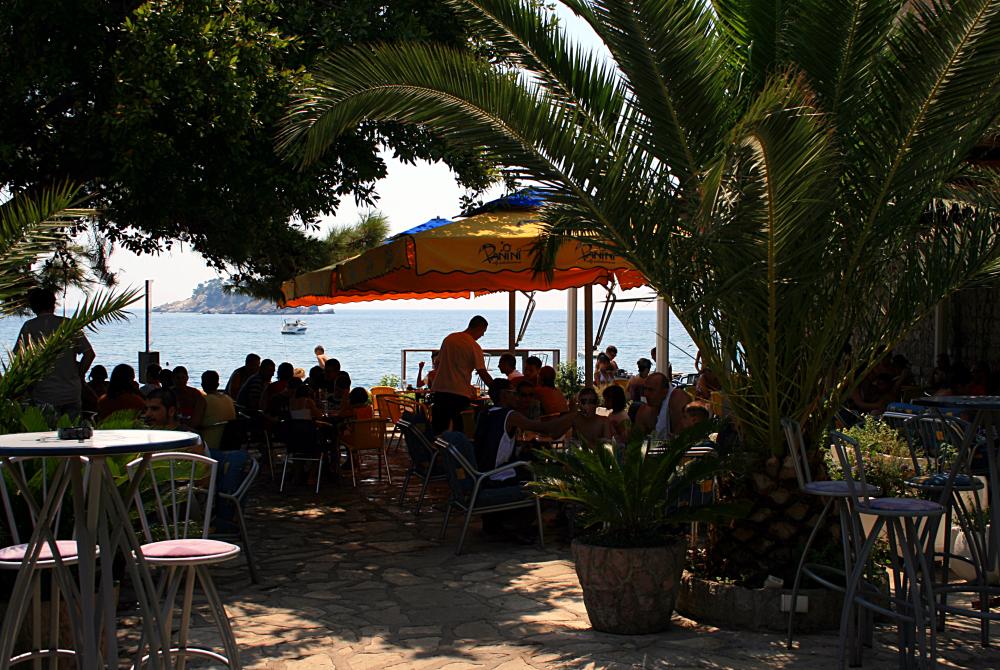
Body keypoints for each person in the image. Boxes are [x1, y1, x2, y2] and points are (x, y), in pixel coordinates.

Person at [14, 287, 96, 417]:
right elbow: (89, 354)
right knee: (71, 432)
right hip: (71, 392)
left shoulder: (29, 327)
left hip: (43, 393)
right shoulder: (68, 324)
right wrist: (79, 374)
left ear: (34, 307)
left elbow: (18, 359)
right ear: (53, 304)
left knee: (46, 434)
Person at [431, 316, 493, 433]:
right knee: (458, 429)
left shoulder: (449, 339)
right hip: (459, 393)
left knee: (439, 429)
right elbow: (482, 371)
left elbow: (437, 363)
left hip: (440, 390)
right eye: (483, 332)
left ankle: (437, 450)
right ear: (479, 328)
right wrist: (496, 388)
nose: (482, 335)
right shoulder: (474, 346)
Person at [634, 370, 687, 440]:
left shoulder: (678, 398)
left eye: (651, 390)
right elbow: (636, 441)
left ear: (665, 391)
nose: (645, 394)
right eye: (645, 389)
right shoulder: (644, 411)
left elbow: (682, 437)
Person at [199, 370, 236, 451]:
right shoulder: (228, 399)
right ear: (218, 384)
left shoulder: (204, 400)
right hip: (229, 443)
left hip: (208, 445)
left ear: (202, 385)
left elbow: (194, 424)